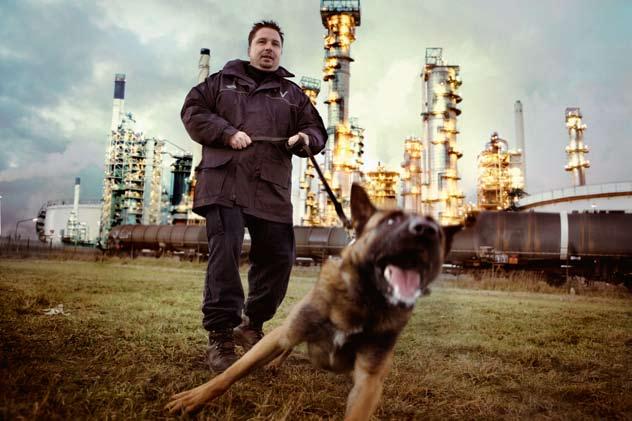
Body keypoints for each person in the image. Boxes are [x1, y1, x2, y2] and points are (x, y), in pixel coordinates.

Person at [180, 20, 328, 372]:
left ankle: (252, 325)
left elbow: (317, 130)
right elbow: (192, 112)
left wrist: (305, 139)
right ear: (250, 48)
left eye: (275, 44)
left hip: (270, 186)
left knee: (279, 257)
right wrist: (227, 133)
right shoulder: (220, 82)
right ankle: (221, 335)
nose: (268, 48)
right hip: (225, 180)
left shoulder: (292, 94)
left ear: (280, 51)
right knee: (225, 253)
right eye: (262, 42)